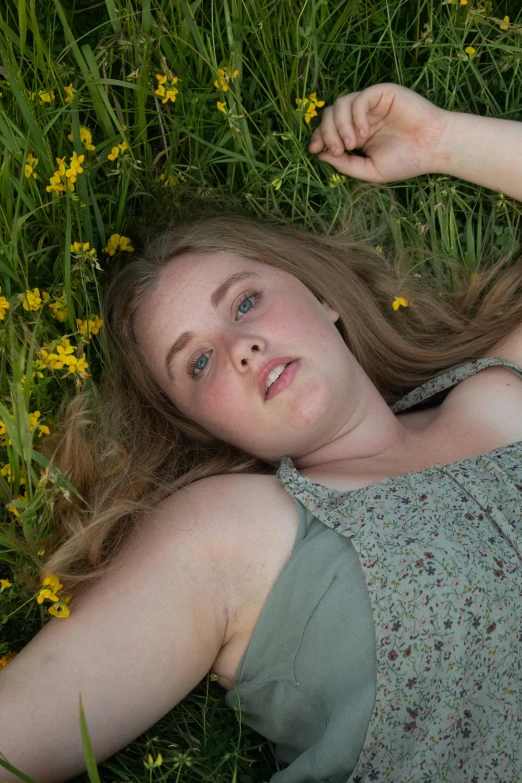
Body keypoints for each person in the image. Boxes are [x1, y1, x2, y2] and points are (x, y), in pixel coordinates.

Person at [1, 82, 522, 783]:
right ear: (200, 423)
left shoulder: (498, 389)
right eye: (200, 361)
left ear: (324, 297)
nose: (242, 345)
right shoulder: (231, 533)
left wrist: (441, 142)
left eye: (246, 300)